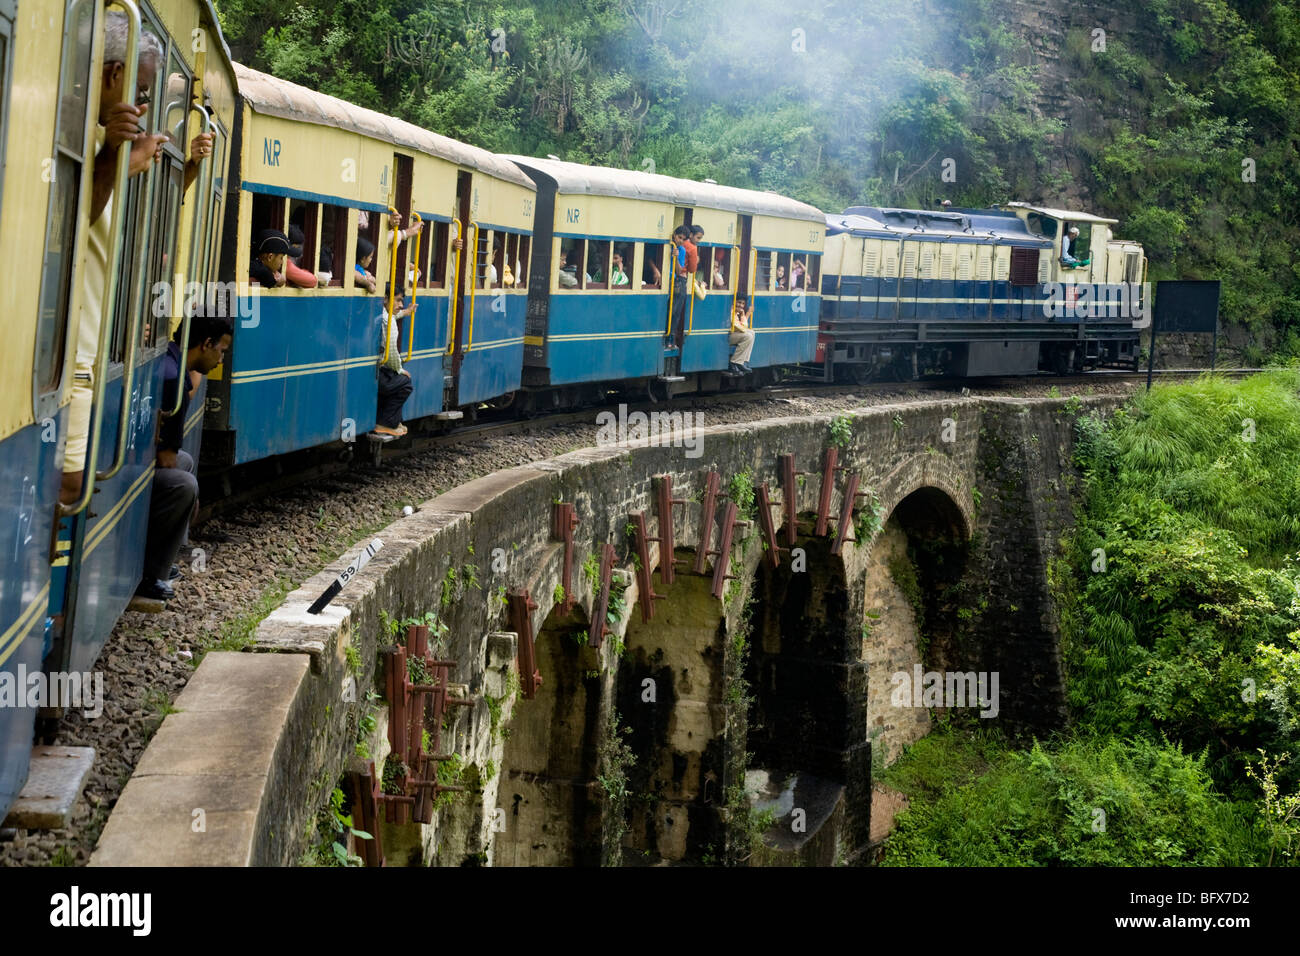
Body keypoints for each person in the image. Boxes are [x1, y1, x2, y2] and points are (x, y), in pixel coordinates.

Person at [61, 12, 171, 506]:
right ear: (111, 75)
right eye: (143, 90)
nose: (144, 104)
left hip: (80, 354)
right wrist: (114, 156)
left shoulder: (99, 137)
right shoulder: (78, 134)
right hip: (68, 360)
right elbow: (68, 227)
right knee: (68, 488)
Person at [136, 315, 232, 600]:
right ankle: (150, 574)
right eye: (221, 351)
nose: (221, 360)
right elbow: (166, 460)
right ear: (206, 344)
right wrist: (193, 495)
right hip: (135, 462)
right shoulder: (175, 385)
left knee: (186, 463)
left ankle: (166, 559)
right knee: (184, 485)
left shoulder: (168, 359)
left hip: (137, 456)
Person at [374, 283, 414, 439]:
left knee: (395, 381)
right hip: (380, 372)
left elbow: (393, 314)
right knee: (405, 383)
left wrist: (405, 312)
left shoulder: (383, 314)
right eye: (397, 300)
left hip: (375, 370)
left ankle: (394, 422)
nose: (401, 304)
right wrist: (400, 369)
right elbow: (391, 353)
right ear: (385, 299)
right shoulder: (389, 323)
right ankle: (386, 422)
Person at [668, 226, 690, 345]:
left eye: (683, 239)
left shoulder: (681, 250)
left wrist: (675, 257)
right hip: (664, 281)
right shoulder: (668, 245)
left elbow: (678, 270)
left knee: (675, 311)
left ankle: (670, 336)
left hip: (674, 281)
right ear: (674, 234)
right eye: (679, 237)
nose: (680, 240)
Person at [728, 297, 755, 375]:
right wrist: (745, 315)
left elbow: (743, 327)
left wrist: (744, 315)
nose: (741, 305)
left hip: (732, 335)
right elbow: (742, 328)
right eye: (739, 302)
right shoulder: (731, 312)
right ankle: (734, 362)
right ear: (734, 302)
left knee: (752, 332)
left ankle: (744, 361)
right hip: (727, 337)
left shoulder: (736, 312)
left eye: (743, 304)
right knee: (748, 336)